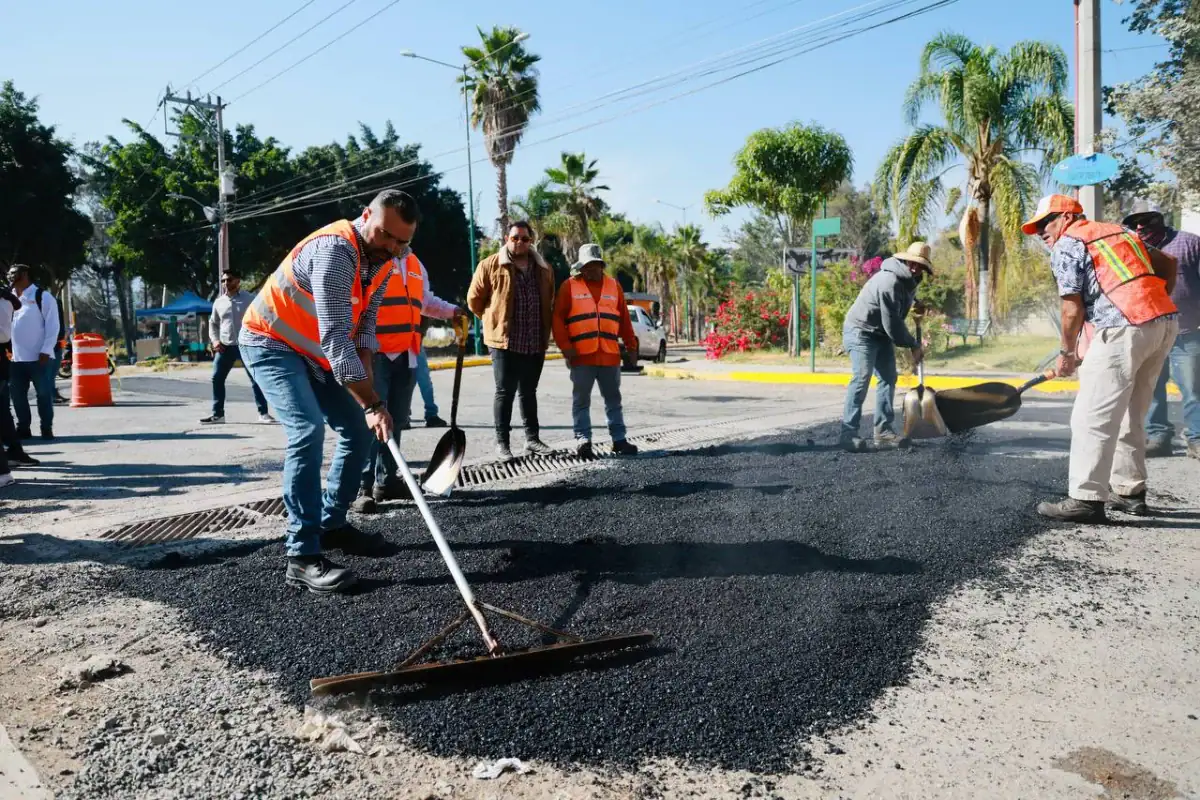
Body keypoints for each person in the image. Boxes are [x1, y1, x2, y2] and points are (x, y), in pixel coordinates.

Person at [239, 189, 419, 594]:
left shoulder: (387, 263)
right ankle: (301, 555)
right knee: (307, 431)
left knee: (358, 428)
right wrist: (373, 401)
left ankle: (332, 524)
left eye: (401, 241)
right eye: (385, 234)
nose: (391, 246)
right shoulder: (337, 252)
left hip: (313, 350)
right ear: (365, 215)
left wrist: (371, 401)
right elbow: (338, 342)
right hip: (271, 341)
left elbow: (364, 332)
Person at [1023, 194, 1178, 522]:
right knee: (1130, 413)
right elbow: (1168, 265)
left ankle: (1086, 498)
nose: (1041, 232)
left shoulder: (1069, 243)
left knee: (1091, 416)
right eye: (1036, 228)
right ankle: (1130, 492)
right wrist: (1151, 302)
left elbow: (1071, 309)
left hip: (1125, 325)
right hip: (1162, 323)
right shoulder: (1120, 232)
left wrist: (1066, 354)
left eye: (1045, 222)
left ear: (1066, 216)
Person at [352, 251, 463, 513]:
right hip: (375, 353)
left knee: (397, 421)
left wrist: (452, 311)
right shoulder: (370, 261)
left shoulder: (415, 264)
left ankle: (387, 481)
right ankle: (363, 488)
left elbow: (424, 301)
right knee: (372, 421)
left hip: (406, 354)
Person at [468, 220, 556, 460]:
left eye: (525, 239)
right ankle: (503, 444)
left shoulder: (544, 268)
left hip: (534, 341)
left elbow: (550, 300)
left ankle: (532, 440)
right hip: (504, 342)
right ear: (506, 238)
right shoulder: (490, 265)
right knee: (504, 392)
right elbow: (474, 300)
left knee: (529, 392)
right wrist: (492, 321)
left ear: (531, 242)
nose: (520, 242)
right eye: (515, 237)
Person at [1123, 200, 1200, 460]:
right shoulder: (1132, 249)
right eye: (1135, 223)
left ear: (1160, 218)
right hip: (1149, 330)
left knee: (1192, 387)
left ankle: (1196, 439)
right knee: (1151, 387)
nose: (1141, 226)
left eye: (1147, 220)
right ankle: (1159, 436)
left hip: (1187, 330)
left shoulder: (1189, 243)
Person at [840, 242, 931, 452]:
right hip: (861, 331)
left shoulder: (910, 280)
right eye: (913, 263)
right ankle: (848, 433)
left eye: (921, 266)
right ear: (905, 260)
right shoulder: (888, 280)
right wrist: (913, 345)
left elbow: (902, 297)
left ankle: (883, 432)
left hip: (880, 334)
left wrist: (915, 303)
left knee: (889, 378)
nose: (916, 268)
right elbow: (893, 324)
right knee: (862, 377)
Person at [554, 244, 640, 459]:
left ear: (601, 265)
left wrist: (631, 346)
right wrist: (566, 348)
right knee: (581, 400)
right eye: (586, 267)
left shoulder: (614, 286)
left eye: (594, 266)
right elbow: (557, 319)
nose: (590, 270)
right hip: (581, 356)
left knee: (613, 399)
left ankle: (619, 440)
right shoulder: (569, 286)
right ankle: (583, 440)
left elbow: (624, 319)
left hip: (610, 355)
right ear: (580, 268)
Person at [202, 270, 274, 425]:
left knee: (256, 378)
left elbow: (263, 317)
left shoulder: (250, 299)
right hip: (225, 346)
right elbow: (213, 323)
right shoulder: (219, 302)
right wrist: (215, 341)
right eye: (223, 281)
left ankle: (263, 413)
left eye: (229, 280)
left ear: (238, 281)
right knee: (216, 378)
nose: (225, 283)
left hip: (247, 345)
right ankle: (218, 414)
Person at [6, 265, 59, 441]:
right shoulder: (8, 298)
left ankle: (46, 427)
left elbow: (53, 326)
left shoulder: (42, 296)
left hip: (40, 358)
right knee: (17, 395)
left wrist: (46, 349)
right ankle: (23, 427)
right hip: (15, 358)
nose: (10, 277)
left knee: (43, 394)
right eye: (9, 274)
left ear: (25, 275)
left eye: (14, 274)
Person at [400, 344, 447, 429]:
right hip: (401, 344)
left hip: (415, 343)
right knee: (405, 382)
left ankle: (431, 415)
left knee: (424, 380)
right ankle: (404, 415)